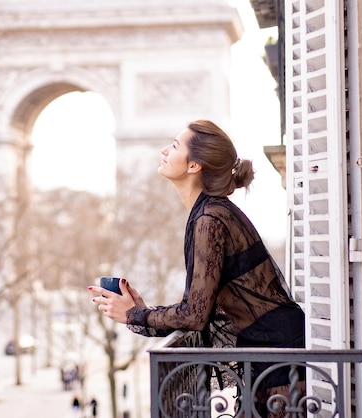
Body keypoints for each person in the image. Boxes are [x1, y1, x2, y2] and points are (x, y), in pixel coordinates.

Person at [88, 119, 305, 418]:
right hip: (271, 351)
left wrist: (135, 315)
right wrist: (143, 312)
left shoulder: (210, 219)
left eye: (175, 145)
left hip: (277, 355)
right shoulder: (209, 213)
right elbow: (197, 310)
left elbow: (194, 314)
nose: (164, 150)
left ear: (194, 166)